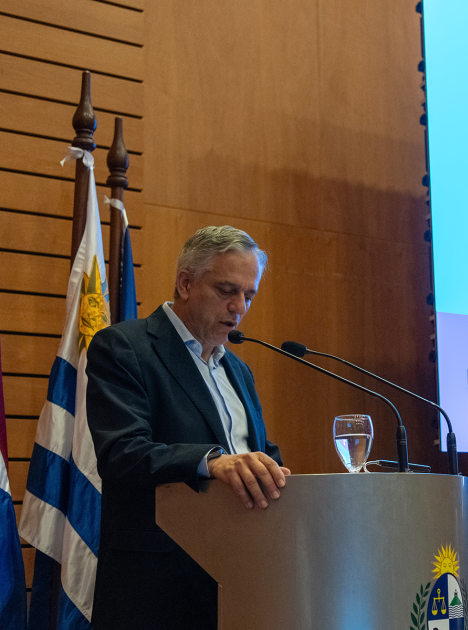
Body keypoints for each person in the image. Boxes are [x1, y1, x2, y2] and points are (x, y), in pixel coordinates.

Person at [86, 225, 289, 630]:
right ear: (185, 283)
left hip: (239, 583)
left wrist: (274, 473)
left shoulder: (239, 371)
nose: (240, 307)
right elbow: (122, 454)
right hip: (156, 594)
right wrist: (212, 462)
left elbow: (257, 452)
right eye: (227, 290)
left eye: (249, 295)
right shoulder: (125, 348)